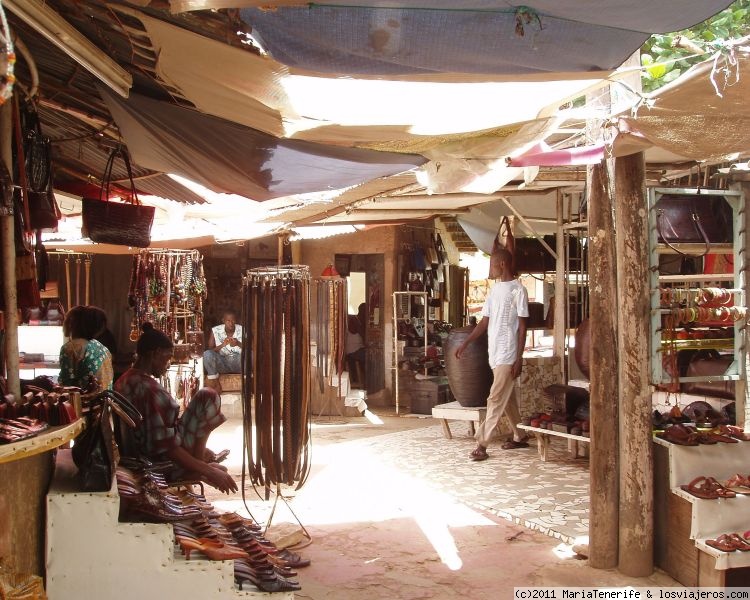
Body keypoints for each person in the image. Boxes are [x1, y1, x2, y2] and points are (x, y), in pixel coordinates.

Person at [115, 323, 237, 494]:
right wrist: (205, 469)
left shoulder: (125, 379)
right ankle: (196, 461)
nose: (168, 364)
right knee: (208, 396)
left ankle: (199, 456)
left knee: (215, 466)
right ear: (155, 354)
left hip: (139, 454)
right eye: (167, 357)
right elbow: (166, 446)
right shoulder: (148, 389)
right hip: (156, 464)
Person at [455, 247, 529, 461]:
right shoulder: (494, 291)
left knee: (495, 397)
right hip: (494, 353)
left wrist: (519, 357)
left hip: (509, 353)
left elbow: (522, 326)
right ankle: (520, 435)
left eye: (492, 265)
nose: (490, 269)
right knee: (507, 398)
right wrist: (466, 342)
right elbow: (484, 322)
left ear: (502, 264)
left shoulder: (518, 290)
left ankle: (482, 443)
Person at [59, 305, 114, 391]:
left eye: (67, 319)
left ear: (71, 323)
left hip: (84, 402)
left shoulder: (70, 348)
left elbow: (66, 386)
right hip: (105, 402)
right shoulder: (101, 347)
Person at [203, 310, 243, 393]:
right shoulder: (216, 330)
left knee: (251, 355)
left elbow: (251, 348)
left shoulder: (242, 329)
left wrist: (238, 343)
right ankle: (215, 382)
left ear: (236, 320)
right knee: (207, 354)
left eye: (233, 320)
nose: (231, 323)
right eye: (228, 321)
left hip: (239, 363)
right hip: (222, 363)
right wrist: (222, 345)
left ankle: (247, 382)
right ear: (223, 321)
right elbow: (210, 350)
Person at [345, 314, 366, 388]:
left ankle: (364, 378)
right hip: (353, 352)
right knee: (369, 356)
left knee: (368, 354)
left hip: (356, 350)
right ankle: (367, 380)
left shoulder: (356, 323)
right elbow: (364, 337)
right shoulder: (354, 324)